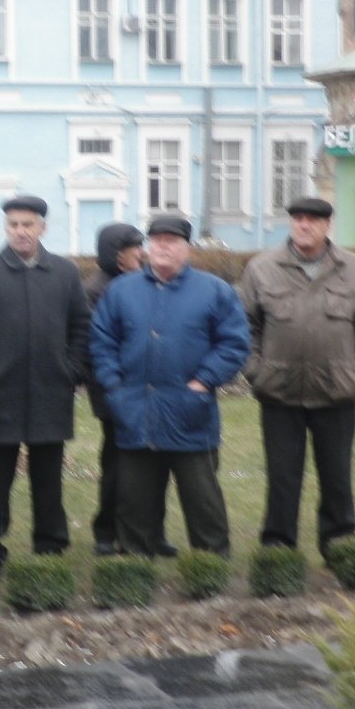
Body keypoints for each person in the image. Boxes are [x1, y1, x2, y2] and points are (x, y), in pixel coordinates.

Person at [89, 214, 249, 559]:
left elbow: (234, 344)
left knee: (202, 497)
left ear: (186, 248)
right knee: (134, 499)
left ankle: (211, 561)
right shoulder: (121, 290)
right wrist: (115, 387)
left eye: (171, 241)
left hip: (190, 411)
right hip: (136, 411)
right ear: (147, 247)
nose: (162, 246)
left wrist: (203, 382)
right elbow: (102, 342)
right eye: (156, 240)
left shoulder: (214, 291)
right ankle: (135, 561)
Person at [239, 197, 355, 555]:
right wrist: (257, 372)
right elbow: (244, 327)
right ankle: (278, 547)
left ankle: (339, 546)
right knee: (282, 478)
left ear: (326, 226)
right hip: (279, 393)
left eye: (313, 220)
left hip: (336, 393)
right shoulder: (262, 268)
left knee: (337, 478)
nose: (304, 226)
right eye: (298, 219)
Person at [0, 196, 89, 566]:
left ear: (42, 227)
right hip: (0, 397)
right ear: (5, 228)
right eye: (13, 225)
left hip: (50, 393)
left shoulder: (65, 273)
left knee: (48, 483)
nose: (20, 231)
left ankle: (50, 545)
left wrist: (71, 370)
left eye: (28, 224)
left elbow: (81, 327)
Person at [83, 223, 151, 556]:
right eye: (133, 247)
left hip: (146, 388)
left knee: (148, 464)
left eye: (141, 246)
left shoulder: (146, 280)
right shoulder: (96, 289)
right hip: (113, 391)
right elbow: (102, 342)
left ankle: (145, 530)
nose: (141, 253)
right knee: (117, 464)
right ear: (114, 253)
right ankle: (106, 530)